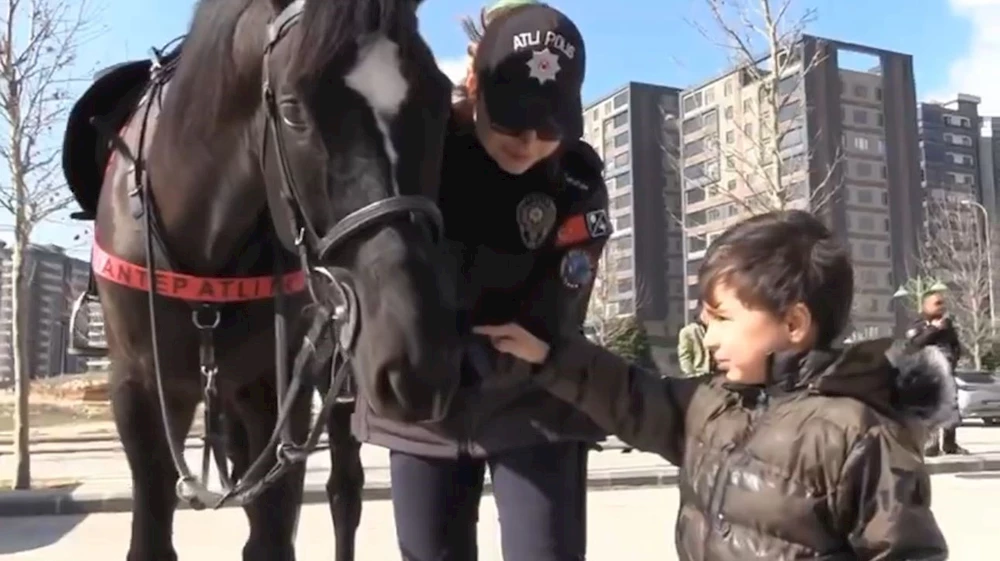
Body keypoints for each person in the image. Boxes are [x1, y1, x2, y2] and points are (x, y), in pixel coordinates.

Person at [475, 210, 952, 560]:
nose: (710, 337)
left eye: (723, 319)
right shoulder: (713, 403)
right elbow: (632, 397)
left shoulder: (857, 433)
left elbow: (906, 550)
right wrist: (549, 355)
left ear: (794, 323)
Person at [351, 2, 610, 560]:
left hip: (534, 400)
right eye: (512, 122)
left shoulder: (573, 181)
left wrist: (492, 347)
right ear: (473, 83)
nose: (529, 143)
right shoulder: (416, 147)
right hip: (424, 405)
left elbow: (557, 307)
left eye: (549, 129)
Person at [907, 290, 966, 455]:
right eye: (937, 303)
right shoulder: (918, 324)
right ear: (925, 306)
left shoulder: (948, 324)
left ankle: (950, 444)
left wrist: (954, 359)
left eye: (943, 303)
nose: (941, 307)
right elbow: (914, 344)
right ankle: (931, 445)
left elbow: (955, 345)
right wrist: (933, 329)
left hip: (946, 371)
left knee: (951, 407)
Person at [676, 306, 710, 377]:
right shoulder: (688, 332)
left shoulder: (719, 330)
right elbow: (685, 357)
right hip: (699, 374)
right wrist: (691, 375)